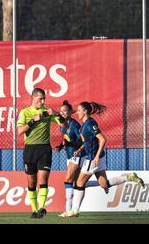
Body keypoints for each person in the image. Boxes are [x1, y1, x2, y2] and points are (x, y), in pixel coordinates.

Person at [67, 102, 145, 217]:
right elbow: (88, 141)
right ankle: (128, 177)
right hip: (98, 157)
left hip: (93, 158)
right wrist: (80, 149)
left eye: (79, 110)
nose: (77, 112)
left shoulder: (89, 124)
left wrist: (96, 156)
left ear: (85, 112)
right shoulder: (84, 125)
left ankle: (74, 211)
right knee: (104, 184)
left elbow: (102, 139)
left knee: (79, 183)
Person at [17, 88, 64, 219]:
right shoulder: (25, 112)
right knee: (31, 182)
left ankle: (41, 208)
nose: (43, 101)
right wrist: (34, 120)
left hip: (44, 149)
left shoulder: (47, 111)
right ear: (33, 98)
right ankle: (34, 209)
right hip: (30, 150)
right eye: (40, 99)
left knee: (43, 179)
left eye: (44, 99)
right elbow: (20, 131)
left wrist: (56, 114)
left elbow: (64, 125)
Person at [52, 100, 85, 217]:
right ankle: (71, 211)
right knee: (77, 183)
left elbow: (82, 141)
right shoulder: (62, 124)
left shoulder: (75, 125)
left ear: (71, 111)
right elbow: (65, 139)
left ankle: (67, 211)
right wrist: (60, 147)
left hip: (77, 155)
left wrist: (70, 145)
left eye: (65, 111)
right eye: (61, 111)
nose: (63, 113)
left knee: (68, 181)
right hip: (69, 155)